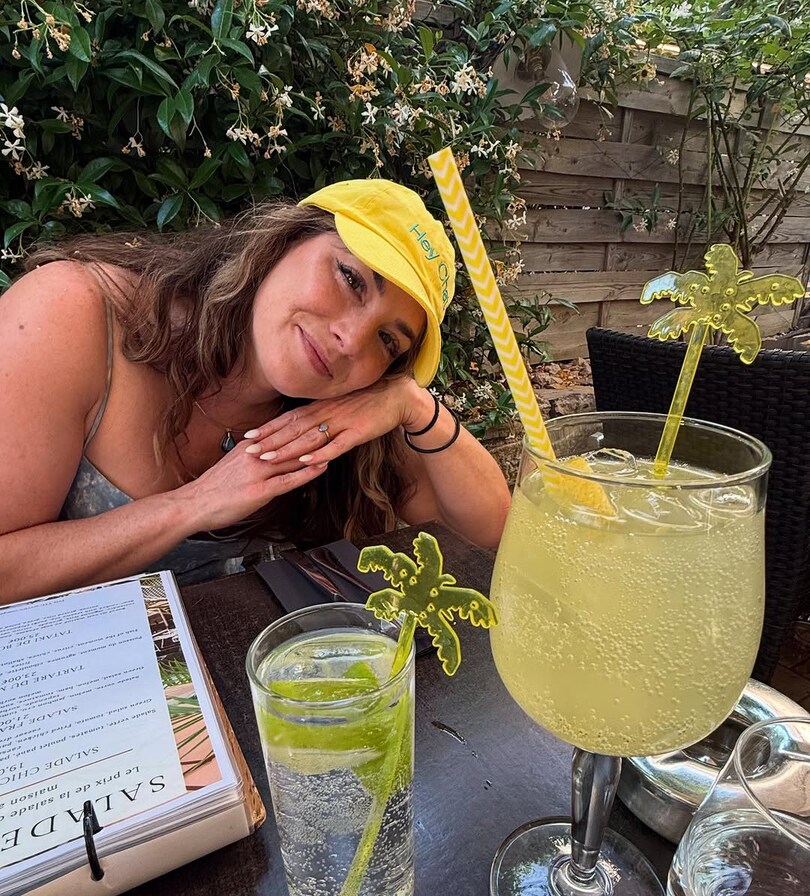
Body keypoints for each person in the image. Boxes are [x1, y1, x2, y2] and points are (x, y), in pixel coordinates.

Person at [0, 178, 511, 604]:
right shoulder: (75, 312)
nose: (351, 340)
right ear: (284, 240)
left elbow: (489, 535)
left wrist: (412, 404)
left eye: (387, 340)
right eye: (351, 278)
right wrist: (194, 503)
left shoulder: (345, 414)